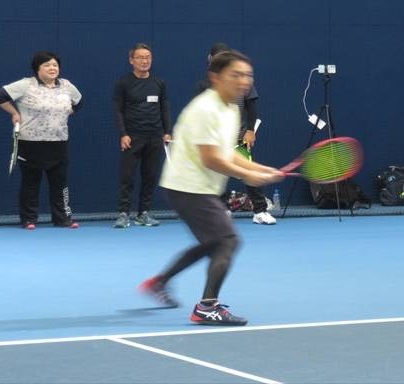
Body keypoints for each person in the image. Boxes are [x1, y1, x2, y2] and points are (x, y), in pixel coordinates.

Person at [137, 50, 283, 326]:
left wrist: (260, 168)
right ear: (215, 77)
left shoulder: (231, 108)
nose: (244, 81)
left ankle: (160, 282)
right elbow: (211, 159)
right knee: (227, 240)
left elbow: (228, 152)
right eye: (236, 75)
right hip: (188, 186)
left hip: (199, 186)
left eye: (248, 75)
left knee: (213, 242)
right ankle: (207, 306)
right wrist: (249, 176)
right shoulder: (205, 109)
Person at [0, 52, 82, 229]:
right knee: (30, 181)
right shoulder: (25, 85)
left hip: (58, 142)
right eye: (47, 65)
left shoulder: (66, 86)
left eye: (55, 65)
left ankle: (63, 218)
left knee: (59, 182)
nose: (52, 68)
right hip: (30, 142)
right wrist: (14, 113)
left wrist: (63, 114)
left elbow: (78, 103)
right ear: (37, 69)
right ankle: (28, 220)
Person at [194, 43, 276, 225]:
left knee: (249, 170)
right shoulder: (203, 85)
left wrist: (250, 130)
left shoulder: (240, 84)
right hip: (215, 140)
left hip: (240, 137)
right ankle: (221, 210)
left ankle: (260, 211)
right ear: (211, 60)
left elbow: (251, 107)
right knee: (215, 175)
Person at [113, 43, 172, 228]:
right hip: (132, 137)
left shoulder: (159, 82)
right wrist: (123, 134)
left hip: (155, 137)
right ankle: (124, 213)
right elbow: (118, 110)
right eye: (140, 57)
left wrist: (167, 131)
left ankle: (143, 213)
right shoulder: (123, 83)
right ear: (131, 60)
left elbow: (164, 108)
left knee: (150, 177)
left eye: (148, 58)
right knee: (127, 177)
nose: (145, 61)